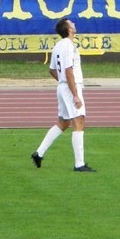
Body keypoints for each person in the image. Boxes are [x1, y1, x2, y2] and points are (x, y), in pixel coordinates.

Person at [31, 18, 95, 172]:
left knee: (64, 123)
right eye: (71, 23)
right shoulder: (68, 46)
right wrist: (74, 94)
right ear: (69, 30)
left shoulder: (58, 46)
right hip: (70, 88)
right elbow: (68, 70)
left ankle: (38, 153)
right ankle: (79, 164)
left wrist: (63, 83)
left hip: (62, 87)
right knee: (79, 121)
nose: (74, 24)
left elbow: (52, 70)